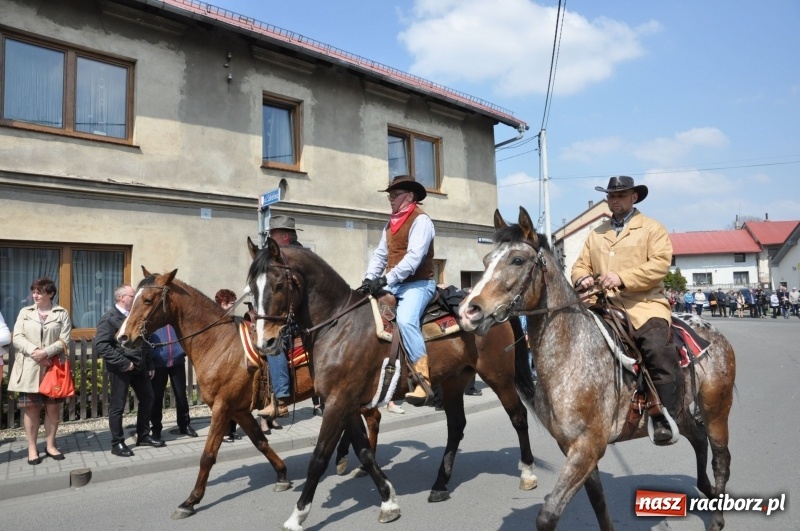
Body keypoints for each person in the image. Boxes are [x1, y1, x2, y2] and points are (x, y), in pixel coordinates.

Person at [572, 176, 678, 445]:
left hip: (642, 303)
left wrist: (622, 277)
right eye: (611, 196)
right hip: (601, 303)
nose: (614, 200)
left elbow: (659, 265)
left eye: (620, 195)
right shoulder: (596, 233)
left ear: (634, 197)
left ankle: (666, 415)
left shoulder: (652, 229)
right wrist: (581, 277)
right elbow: (580, 265)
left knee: (656, 347)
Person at [358, 175, 436, 406]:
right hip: (395, 282)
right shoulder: (391, 223)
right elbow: (381, 255)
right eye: (389, 196)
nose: (390, 199)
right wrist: (369, 279)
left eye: (394, 195)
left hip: (419, 284)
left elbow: (413, 259)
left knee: (406, 319)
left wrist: (383, 280)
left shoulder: (421, 221)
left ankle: (422, 379)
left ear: (409, 196)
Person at [7, 277, 72, 465]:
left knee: (53, 409)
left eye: (39, 292)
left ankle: (50, 445)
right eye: (34, 291)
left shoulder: (61, 313)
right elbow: (17, 337)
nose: (35, 295)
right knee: (32, 408)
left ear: (50, 294)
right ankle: (32, 448)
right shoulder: (24, 312)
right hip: (29, 368)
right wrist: (35, 352)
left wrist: (46, 352)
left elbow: (64, 340)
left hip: (53, 369)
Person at [94, 284, 163, 457]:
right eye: (132, 296)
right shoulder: (109, 318)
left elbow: (144, 341)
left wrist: (150, 365)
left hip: (140, 367)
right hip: (121, 369)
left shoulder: (135, 315)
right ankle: (117, 443)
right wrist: (123, 363)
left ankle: (143, 435)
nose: (135, 299)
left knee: (148, 399)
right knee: (117, 407)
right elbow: (101, 345)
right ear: (122, 298)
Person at [149, 325, 197, 438]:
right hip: (159, 364)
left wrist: (183, 351)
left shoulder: (174, 321)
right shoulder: (155, 321)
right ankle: (156, 429)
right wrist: (152, 358)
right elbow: (146, 342)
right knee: (157, 398)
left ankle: (184, 425)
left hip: (177, 362)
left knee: (181, 396)